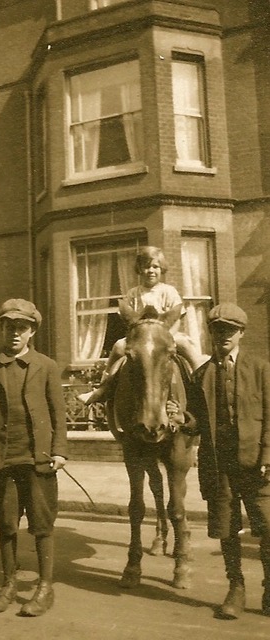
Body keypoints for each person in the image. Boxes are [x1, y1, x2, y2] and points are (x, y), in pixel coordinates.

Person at [0, 298, 68, 616]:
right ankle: (8, 584)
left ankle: (45, 588)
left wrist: (59, 450)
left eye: (21, 328)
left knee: (42, 524)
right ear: (2, 328)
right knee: (6, 523)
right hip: (4, 456)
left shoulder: (46, 366)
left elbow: (59, 414)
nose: (15, 334)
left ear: (32, 331)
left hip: (38, 457)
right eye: (9, 327)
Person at [189, 303, 270, 619]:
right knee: (227, 528)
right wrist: (181, 417)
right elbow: (195, 421)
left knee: (268, 526)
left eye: (230, 330)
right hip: (219, 465)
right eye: (218, 329)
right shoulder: (202, 374)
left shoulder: (261, 369)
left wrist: (268, 457)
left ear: (241, 333)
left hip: (256, 465)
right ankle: (235, 588)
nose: (224, 335)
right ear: (212, 333)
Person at [79, 246, 207, 405]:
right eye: (146, 267)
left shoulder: (168, 291)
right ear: (139, 269)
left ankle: (202, 380)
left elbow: (177, 319)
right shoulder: (133, 293)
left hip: (166, 336)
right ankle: (102, 388)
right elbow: (129, 320)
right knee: (119, 346)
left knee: (185, 345)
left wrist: (169, 337)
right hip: (140, 339)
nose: (151, 271)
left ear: (162, 269)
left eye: (155, 266)